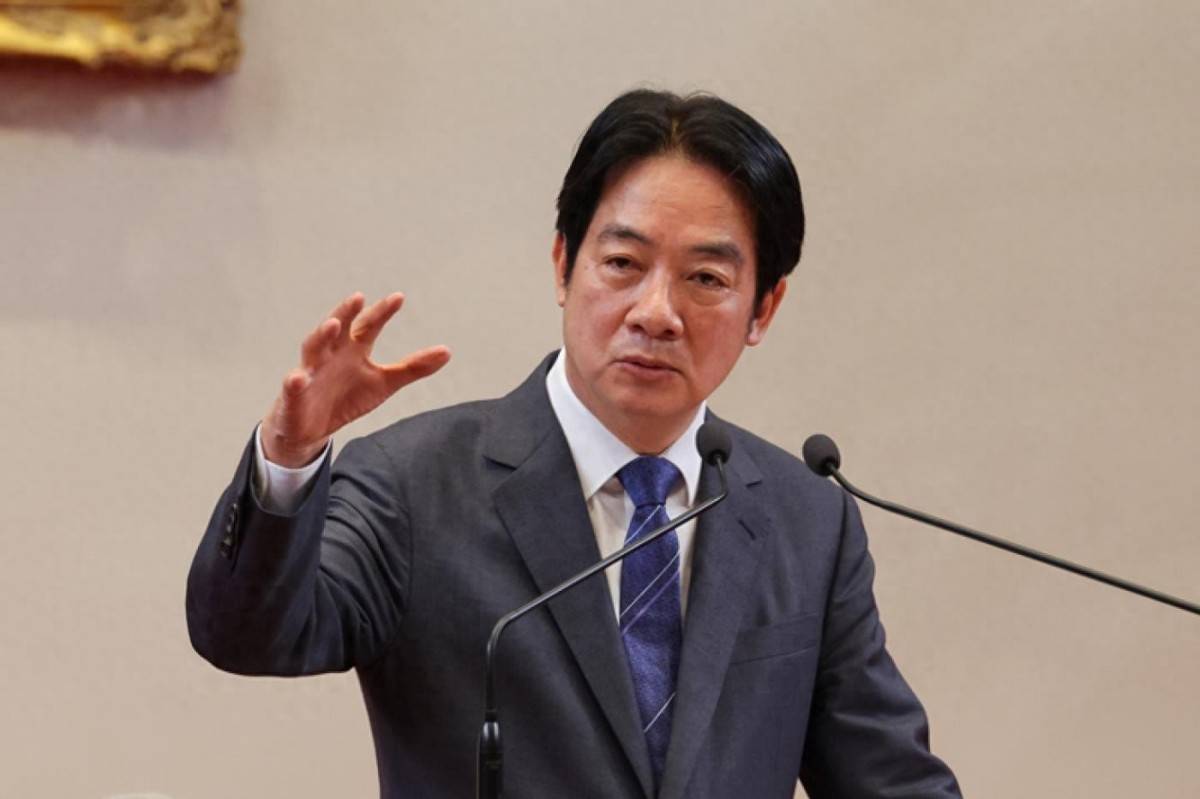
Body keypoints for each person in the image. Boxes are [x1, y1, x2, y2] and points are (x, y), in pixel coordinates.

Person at [187, 89, 961, 799]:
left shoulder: (807, 521)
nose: (655, 312)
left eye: (705, 279)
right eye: (622, 264)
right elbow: (248, 635)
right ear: (564, 265)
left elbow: (889, 778)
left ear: (764, 307)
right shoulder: (414, 484)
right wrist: (288, 458)